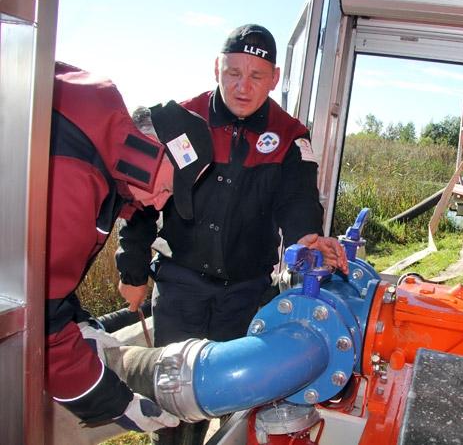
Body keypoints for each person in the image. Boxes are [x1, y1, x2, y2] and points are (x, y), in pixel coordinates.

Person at [115, 24, 348, 444]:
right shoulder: (178, 121)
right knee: (177, 409)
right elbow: (141, 202)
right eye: (233, 73)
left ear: (275, 78)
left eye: (257, 76)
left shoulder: (290, 135)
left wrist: (307, 236)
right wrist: (132, 270)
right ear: (216, 68)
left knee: (239, 402)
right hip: (180, 288)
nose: (243, 86)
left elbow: (297, 200)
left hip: (245, 294)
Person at [47, 62, 212, 433]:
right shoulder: (76, 179)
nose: (157, 204)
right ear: (148, 151)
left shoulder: (96, 156)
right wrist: (118, 405)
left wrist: (78, 320)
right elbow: (40, 322)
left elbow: (45, 279)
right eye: (167, 188)